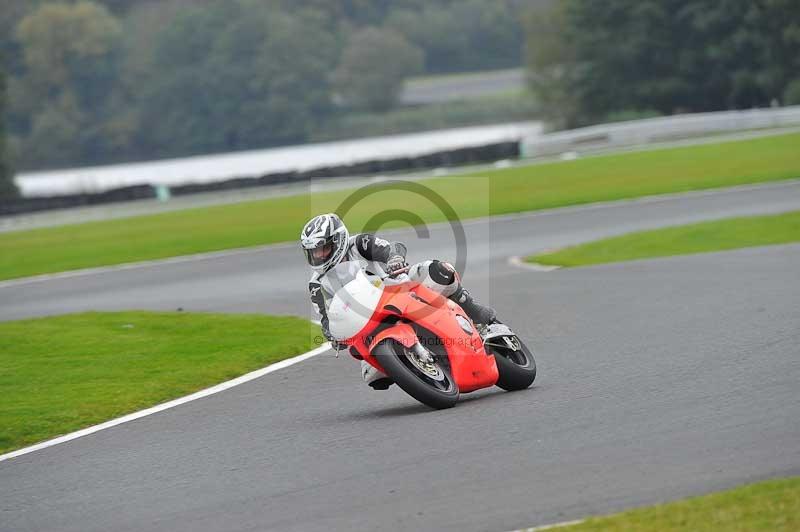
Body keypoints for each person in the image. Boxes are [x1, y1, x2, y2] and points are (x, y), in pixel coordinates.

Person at [301, 213, 496, 390]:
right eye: (313, 252)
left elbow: (392, 247)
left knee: (437, 271)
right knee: (373, 377)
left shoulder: (359, 244)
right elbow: (325, 317)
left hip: (401, 292)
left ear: (338, 240)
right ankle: (417, 369)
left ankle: (472, 310)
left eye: (323, 249)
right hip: (370, 324)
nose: (318, 256)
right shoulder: (317, 284)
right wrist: (331, 333)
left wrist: (394, 258)